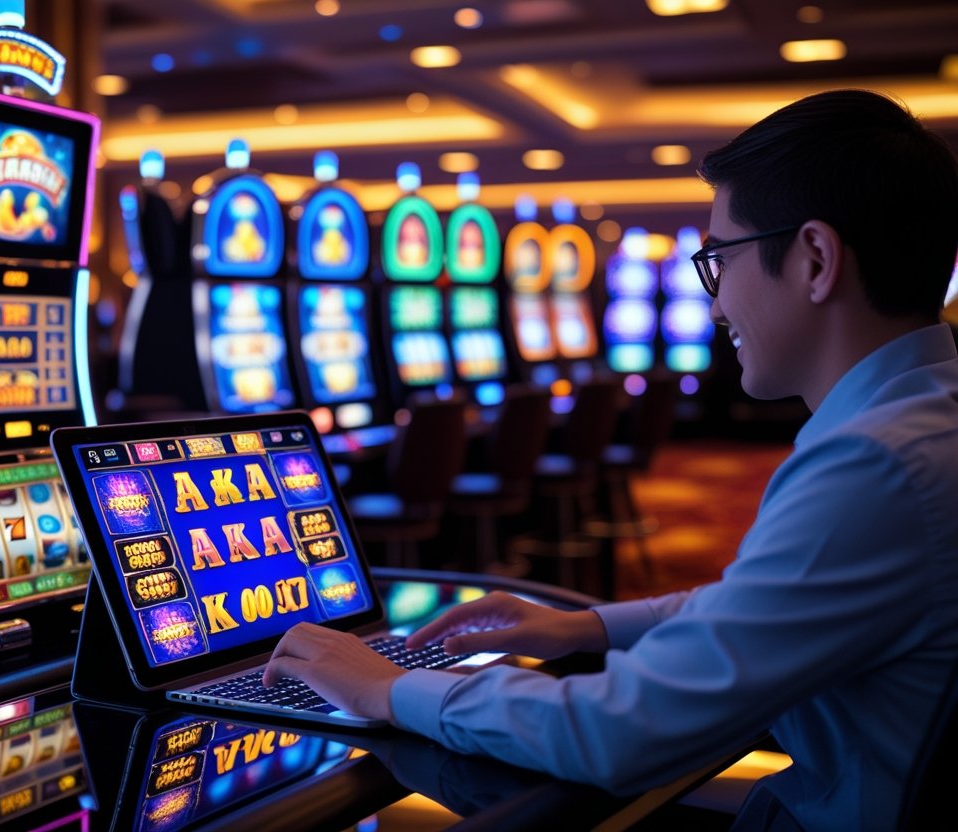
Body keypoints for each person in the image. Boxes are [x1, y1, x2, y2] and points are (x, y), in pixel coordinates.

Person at [262, 88, 958, 831]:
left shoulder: (875, 468)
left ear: (816, 260)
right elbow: (771, 605)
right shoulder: (923, 422)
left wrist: (385, 688)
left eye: (719, 261)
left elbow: (617, 731)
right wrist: (586, 628)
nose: (715, 306)